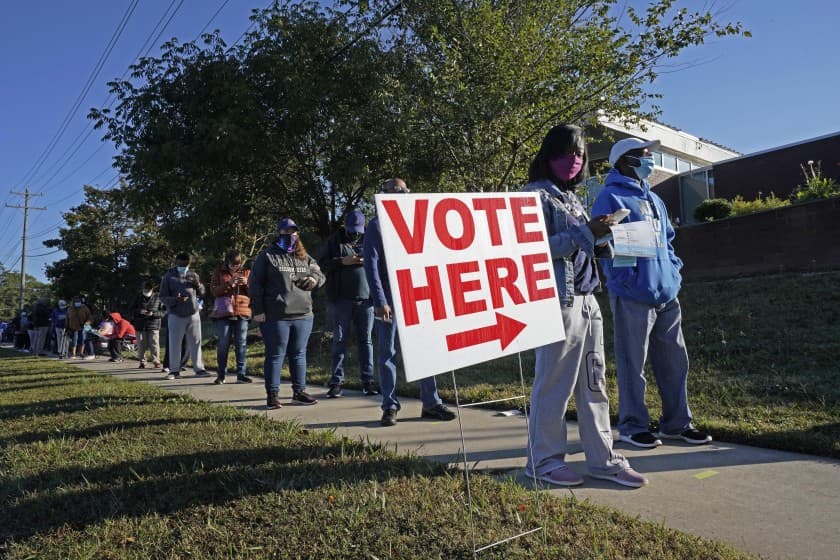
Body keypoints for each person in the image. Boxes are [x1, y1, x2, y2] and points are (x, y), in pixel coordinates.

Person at [521, 124, 647, 488]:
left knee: (595, 381)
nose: (574, 161)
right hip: (557, 301)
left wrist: (602, 239)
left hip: (589, 298)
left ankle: (603, 458)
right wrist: (586, 233)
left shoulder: (572, 198)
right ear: (548, 156)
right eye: (566, 153)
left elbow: (579, 246)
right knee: (554, 383)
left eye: (579, 154)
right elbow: (537, 253)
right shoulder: (534, 196)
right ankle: (543, 460)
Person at [592, 137, 712, 448]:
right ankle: (633, 426)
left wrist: (674, 271)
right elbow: (604, 245)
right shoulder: (610, 196)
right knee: (633, 364)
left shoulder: (656, 200)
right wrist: (627, 280)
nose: (650, 160)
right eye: (644, 155)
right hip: (633, 295)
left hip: (666, 294)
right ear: (626, 160)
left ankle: (677, 424)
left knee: (675, 362)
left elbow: (668, 241)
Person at [363, 178, 457, 427]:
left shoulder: (419, 222)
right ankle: (390, 406)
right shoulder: (376, 226)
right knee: (388, 353)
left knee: (426, 350)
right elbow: (371, 267)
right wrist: (380, 300)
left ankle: (431, 403)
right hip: (390, 300)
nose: (398, 196)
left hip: (418, 296)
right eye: (392, 193)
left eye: (402, 192)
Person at [249, 218, 325, 408]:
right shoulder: (267, 256)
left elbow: (319, 273)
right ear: (279, 233)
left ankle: (299, 392)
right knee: (275, 355)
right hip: (276, 315)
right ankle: (272, 394)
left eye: (294, 231)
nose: (291, 235)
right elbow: (255, 283)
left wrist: (314, 279)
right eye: (286, 231)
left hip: (304, 314)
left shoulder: (304, 257)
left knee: (299, 354)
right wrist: (257, 310)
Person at [317, 210, 378, 398]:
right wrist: (342, 261)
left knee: (365, 340)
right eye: (352, 229)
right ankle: (336, 381)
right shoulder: (334, 241)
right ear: (345, 225)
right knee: (340, 340)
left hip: (366, 299)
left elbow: (381, 261)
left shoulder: (370, 238)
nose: (355, 233)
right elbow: (321, 265)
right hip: (340, 299)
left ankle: (368, 381)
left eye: (358, 229)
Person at [159, 253, 210, 379]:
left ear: (189, 263)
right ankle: (174, 371)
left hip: (193, 313)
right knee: (174, 343)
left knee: (196, 342)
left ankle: (199, 369)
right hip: (176, 314)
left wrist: (198, 285)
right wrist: (176, 300)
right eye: (181, 264)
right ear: (176, 262)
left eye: (186, 264)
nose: (183, 266)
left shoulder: (193, 275)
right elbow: (163, 297)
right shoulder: (168, 277)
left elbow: (203, 293)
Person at [210, 250, 253, 385]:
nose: (235, 267)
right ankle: (221, 375)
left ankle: (241, 374)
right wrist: (229, 284)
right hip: (224, 313)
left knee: (241, 344)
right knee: (223, 344)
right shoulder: (219, 272)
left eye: (238, 264)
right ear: (227, 262)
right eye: (232, 264)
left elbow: (254, 292)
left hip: (242, 312)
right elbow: (215, 291)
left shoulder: (246, 272)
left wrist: (246, 283)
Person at [130, 280, 165, 369]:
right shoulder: (138, 297)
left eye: (148, 289)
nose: (146, 290)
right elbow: (132, 309)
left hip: (154, 325)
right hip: (140, 325)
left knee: (154, 344)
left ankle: (156, 361)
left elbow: (164, 312)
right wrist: (140, 311)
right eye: (144, 289)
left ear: (152, 289)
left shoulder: (159, 297)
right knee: (141, 345)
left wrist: (153, 314)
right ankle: (142, 361)